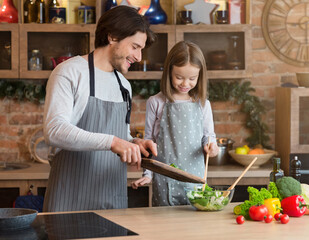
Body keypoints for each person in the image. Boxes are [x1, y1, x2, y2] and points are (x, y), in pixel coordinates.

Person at [42, 6, 157, 212]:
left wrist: (134, 143)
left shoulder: (124, 85)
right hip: (70, 201)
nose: (139, 57)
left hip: (112, 201)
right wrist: (113, 142)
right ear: (112, 36)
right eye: (135, 47)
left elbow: (119, 136)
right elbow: (54, 131)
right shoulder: (70, 72)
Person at [131, 41, 219, 206]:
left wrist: (212, 147)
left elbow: (209, 136)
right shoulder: (156, 102)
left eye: (192, 78)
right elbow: (149, 143)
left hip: (196, 182)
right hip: (164, 182)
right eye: (179, 77)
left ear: (200, 76)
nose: (185, 84)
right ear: (168, 72)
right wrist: (148, 175)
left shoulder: (202, 103)